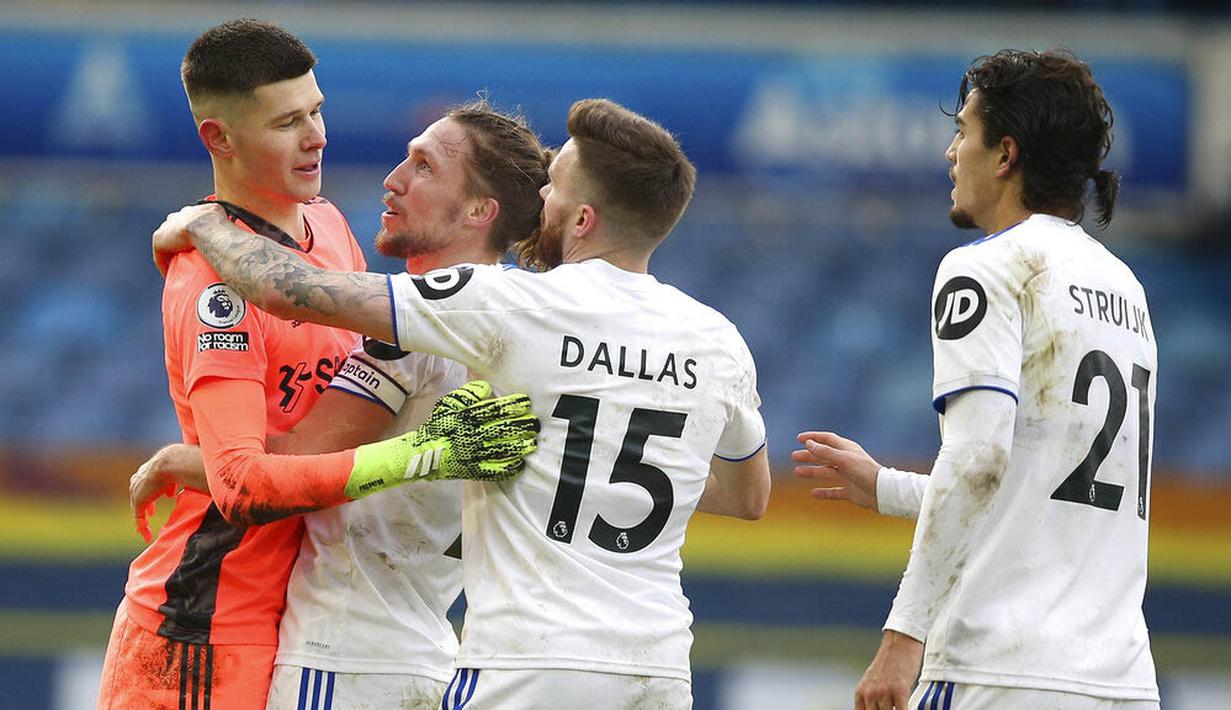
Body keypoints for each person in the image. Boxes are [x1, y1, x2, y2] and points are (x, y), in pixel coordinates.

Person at [150, 97, 772, 708]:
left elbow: (281, 447)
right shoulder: (711, 339)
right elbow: (748, 497)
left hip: (358, 656)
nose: (393, 181)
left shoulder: (488, 315)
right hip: (631, 662)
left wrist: (203, 224)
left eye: (423, 166)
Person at [100, 22, 534, 710]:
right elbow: (241, 489)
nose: (316, 137)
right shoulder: (215, 287)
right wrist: (426, 456)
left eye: (317, 111)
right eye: (287, 122)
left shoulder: (328, 226)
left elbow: (318, 437)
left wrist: (192, 462)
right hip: (205, 625)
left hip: (302, 627)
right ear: (220, 140)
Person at [793, 49, 1158, 710]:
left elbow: (978, 456)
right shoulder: (1123, 287)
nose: (949, 152)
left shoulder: (987, 266)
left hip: (1000, 670)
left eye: (962, 131)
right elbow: (1044, 485)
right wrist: (888, 488)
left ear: (1004, 154)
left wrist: (903, 636)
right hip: (1120, 681)